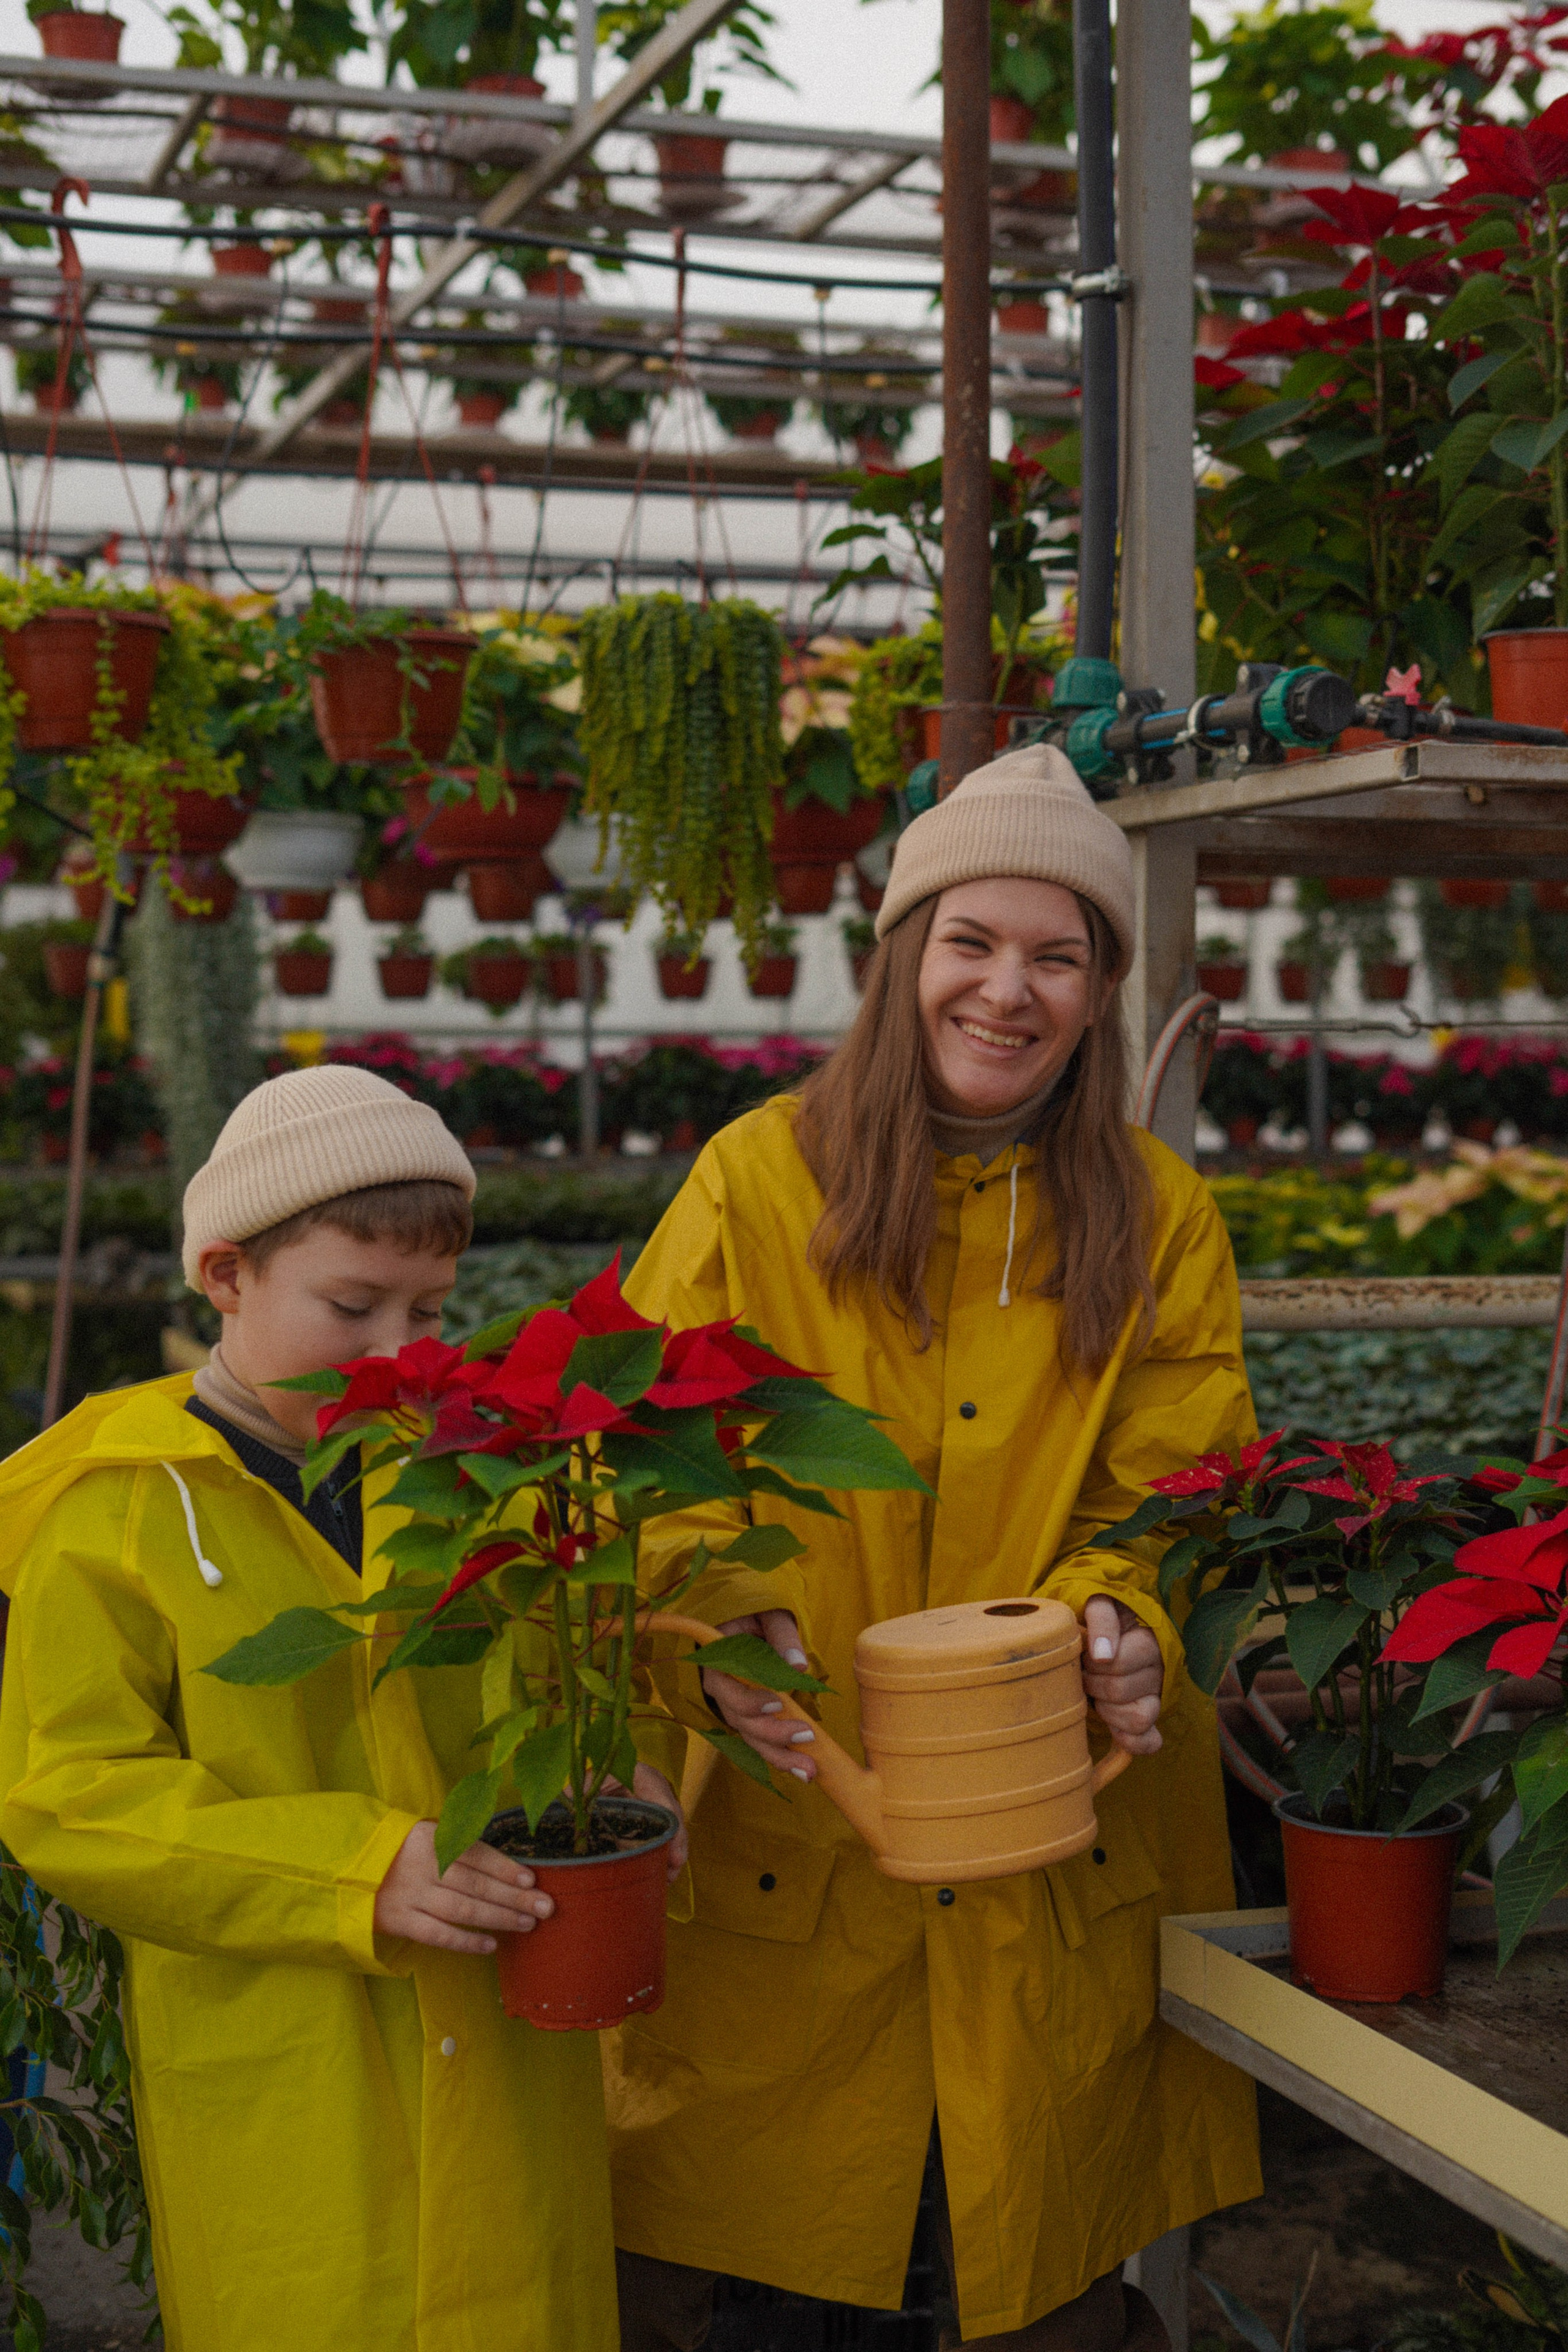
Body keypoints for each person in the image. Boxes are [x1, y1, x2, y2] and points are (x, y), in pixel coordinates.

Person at [610, 746, 1263, 2352]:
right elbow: (641, 1460)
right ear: (906, 953)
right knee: (780, 2269)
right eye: (972, 942)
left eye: (1059, 955)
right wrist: (720, 1627)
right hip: (801, 1818)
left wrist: (1119, 1625)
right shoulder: (759, 1182)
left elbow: (1187, 1496)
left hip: (1048, 1830)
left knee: (1024, 2274)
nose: (1008, 990)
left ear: (1101, 986)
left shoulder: (1159, 1212)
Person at [0, 1064, 682, 2352]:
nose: (397, 1352)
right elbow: (68, 1793)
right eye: (350, 1305)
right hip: (282, 2060)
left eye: (428, 1309)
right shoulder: (119, 1508)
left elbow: (556, 1671)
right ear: (226, 1278)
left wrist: (618, 1772)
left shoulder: (461, 1476)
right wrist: (353, 1871)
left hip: (499, 2015)